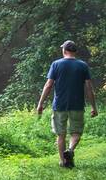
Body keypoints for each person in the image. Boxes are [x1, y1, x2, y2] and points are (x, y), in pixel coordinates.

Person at [35, 40, 97, 168]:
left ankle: (63, 161)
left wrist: (40, 103)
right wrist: (93, 107)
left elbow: (48, 85)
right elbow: (89, 88)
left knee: (61, 134)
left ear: (64, 50)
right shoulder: (83, 65)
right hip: (77, 105)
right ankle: (70, 150)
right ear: (75, 51)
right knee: (76, 132)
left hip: (59, 105)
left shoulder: (56, 64)